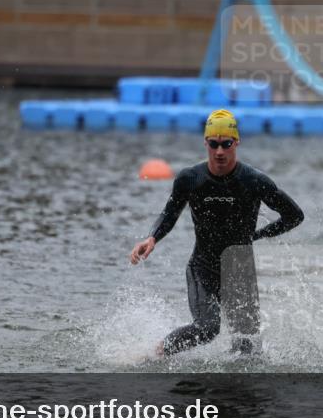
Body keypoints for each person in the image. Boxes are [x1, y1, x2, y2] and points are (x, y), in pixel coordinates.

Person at [129, 109, 304, 356]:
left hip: (240, 270)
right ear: (206, 143)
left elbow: (295, 216)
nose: (219, 151)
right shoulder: (190, 178)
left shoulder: (254, 180)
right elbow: (169, 214)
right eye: (214, 144)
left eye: (226, 144)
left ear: (236, 143)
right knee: (207, 329)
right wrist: (152, 237)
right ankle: (157, 354)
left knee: (248, 350)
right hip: (203, 267)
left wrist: (259, 235)